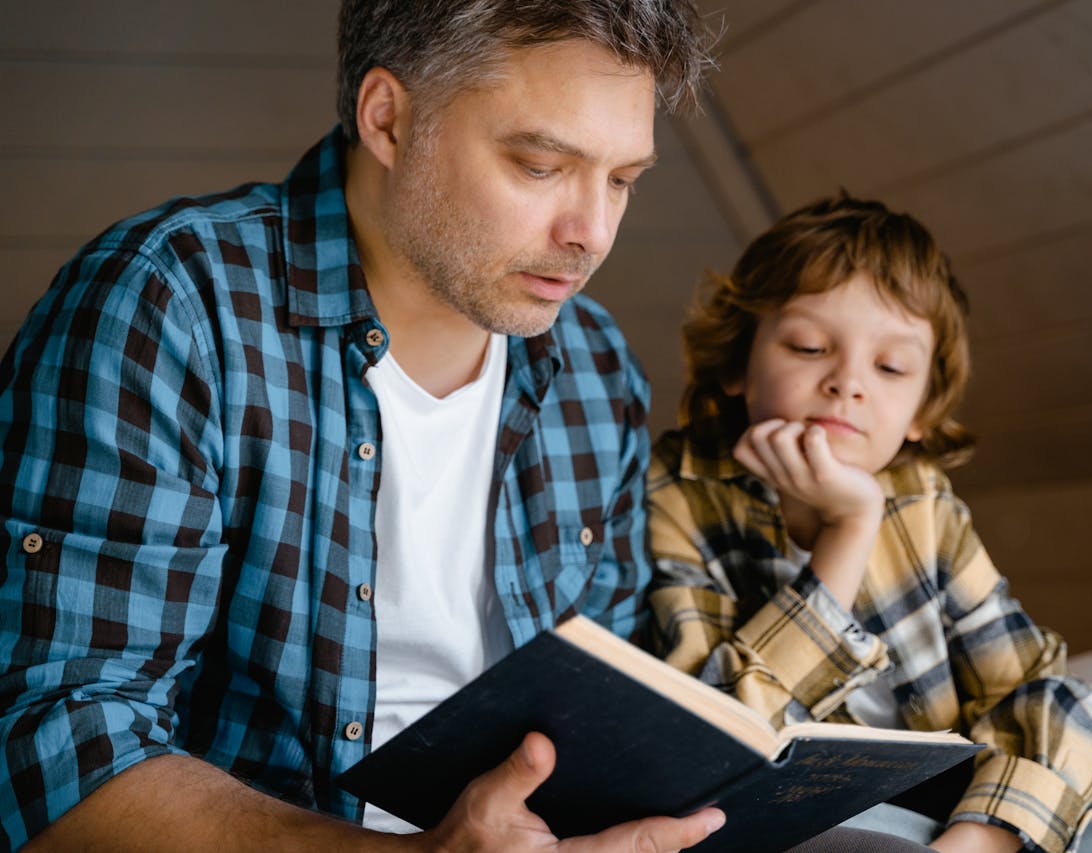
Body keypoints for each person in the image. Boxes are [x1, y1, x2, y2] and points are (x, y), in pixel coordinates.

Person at [0, 1, 736, 849]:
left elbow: (609, 713)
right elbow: (57, 750)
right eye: (540, 165)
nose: (591, 233)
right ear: (388, 118)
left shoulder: (599, 367)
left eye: (621, 180)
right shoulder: (172, 306)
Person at [646, 193, 1092, 853]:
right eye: (809, 345)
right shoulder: (678, 496)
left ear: (919, 410)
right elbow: (709, 750)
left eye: (889, 367)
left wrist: (980, 837)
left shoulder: (925, 500)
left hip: (962, 811)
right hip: (817, 811)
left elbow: (1032, 688)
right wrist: (849, 530)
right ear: (739, 362)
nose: (848, 382)